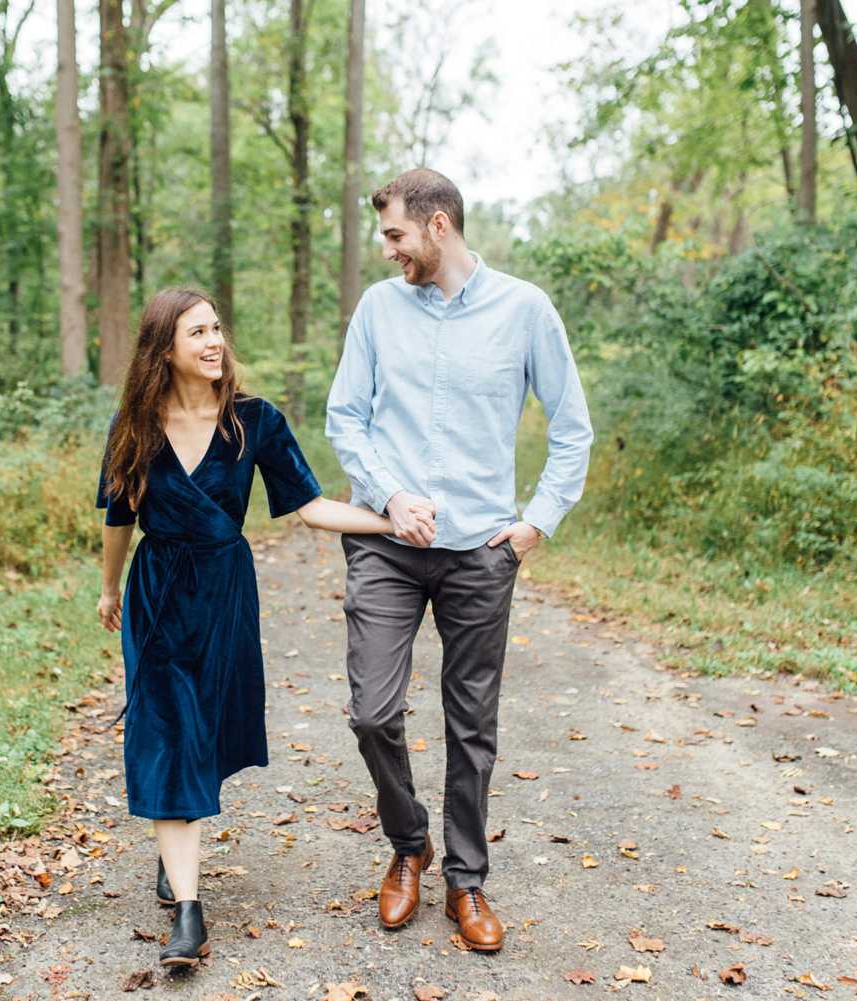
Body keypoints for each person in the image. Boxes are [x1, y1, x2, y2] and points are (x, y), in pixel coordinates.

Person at [325, 168, 594, 952]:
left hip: (482, 551)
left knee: (472, 724)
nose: (388, 250)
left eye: (396, 235)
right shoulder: (379, 308)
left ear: (438, 226)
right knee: (372, 710)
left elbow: (572, 427)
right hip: (387, 546)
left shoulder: (524, 310)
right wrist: (388, 493)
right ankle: (410, 844)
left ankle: (466, 881)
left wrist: (533, 525)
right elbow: (347, 416)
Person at [96, 287, 398, 969]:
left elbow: (313, 507)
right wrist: (109, 588)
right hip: (159, 595)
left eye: (217, 328)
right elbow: (118, 517)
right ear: (163, 348)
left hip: (226, 594)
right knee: (167, 731)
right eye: (196, 331)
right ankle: (190, 916)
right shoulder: (134, 423)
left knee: (203, 728)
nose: (214, 341)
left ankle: (174, 855)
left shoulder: (254, 420)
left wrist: (388, 521)